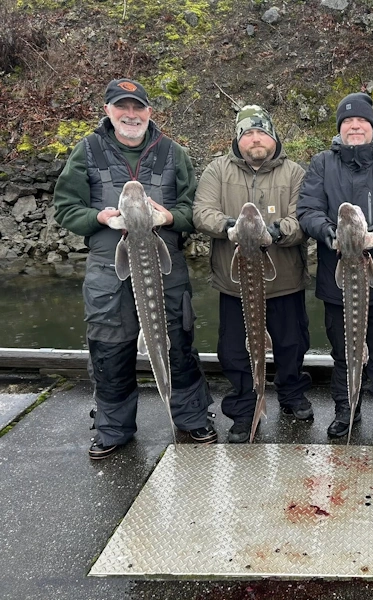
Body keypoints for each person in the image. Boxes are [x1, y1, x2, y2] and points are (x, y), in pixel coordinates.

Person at [54, 78, 215, 459]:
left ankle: (192, 418)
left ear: (149, 113)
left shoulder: (173, 153)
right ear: (108, 111)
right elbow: (65, 208)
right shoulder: (88, 150)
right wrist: (98, 217)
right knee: (110, 349)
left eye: (137, 108)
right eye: (122, 107)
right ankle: (113, 428)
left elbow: (195, 210)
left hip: (167, 269)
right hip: (108, 271)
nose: (131, 115)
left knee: (178, 344)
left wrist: (170, 217)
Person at [193, 105, 313, 444]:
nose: (255, 139)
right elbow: (202, 212)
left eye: (261, 133)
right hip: (235, 285)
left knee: (292, 345)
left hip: (285, 281)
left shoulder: (293, 172)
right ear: (238, 138)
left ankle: (291, 395)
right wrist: (230, 226)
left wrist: (274, 233)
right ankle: (245, 408)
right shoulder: (218, 169)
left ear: (273, 137)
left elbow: (302, 218)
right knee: (234, 351)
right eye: (248, 134)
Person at [297, 92, 373, 441]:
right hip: (337, 281)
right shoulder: (321, 164)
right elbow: (308, 211)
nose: (354, 126)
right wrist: (330, 233)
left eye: (360, 121)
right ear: (340, 129)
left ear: (372, 126)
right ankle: (347, 408)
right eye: (347, 122)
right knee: (342, 349)